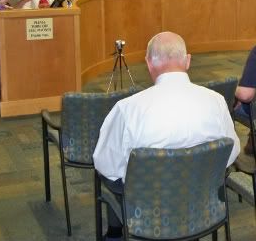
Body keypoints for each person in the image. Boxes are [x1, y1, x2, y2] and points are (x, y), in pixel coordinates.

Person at [93, 31, 240, 240]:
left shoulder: (127, 109)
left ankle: (116, 234)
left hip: (149, 204)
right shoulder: (216, 101)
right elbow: (231, 151)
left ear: (148, 63)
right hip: (201, 196)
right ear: (188, 61)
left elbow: (105, 164)